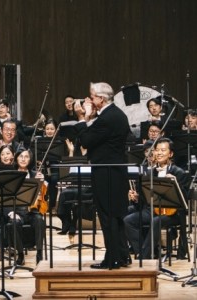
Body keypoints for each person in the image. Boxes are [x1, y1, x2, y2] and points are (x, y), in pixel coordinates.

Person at [74, 82, 131, 269]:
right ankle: (122, 255)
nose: (89, 99)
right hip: (113, 171)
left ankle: (112, 258)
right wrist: (90, 118)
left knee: (108, 216)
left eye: (92, 96)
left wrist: (82, 118)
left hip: (107, 173)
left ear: (101, 98)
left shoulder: (108, 117)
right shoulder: (114, 114)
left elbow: (86, 141)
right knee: (115, 216)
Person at [124, 138, 190, 259]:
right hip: (152, 210)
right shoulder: (150, 173)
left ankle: (144, 256)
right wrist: (137, 198)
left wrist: (175, 184)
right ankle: (142, 251)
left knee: (156, 221)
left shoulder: (179, 172)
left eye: (163, 150)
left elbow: (185, 200)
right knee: (128, 220)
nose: (159, 153)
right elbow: (146, 198)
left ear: (170, 154)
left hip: (172, 213)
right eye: (157, 150)